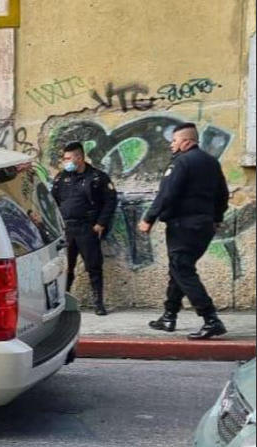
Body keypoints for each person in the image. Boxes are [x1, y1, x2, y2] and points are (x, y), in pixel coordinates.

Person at [139, 122, 229, 340]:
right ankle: (169, 315)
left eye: (175, 140)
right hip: (204, 226)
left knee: (182, 269)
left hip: (183, 226)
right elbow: (223, 194)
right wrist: (217, 218)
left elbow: (167, 193)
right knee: (179, 268)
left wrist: (148, 218)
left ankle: (211, 319)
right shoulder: (211, 162)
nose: (172, 145)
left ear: (187, 142)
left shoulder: (181, 162)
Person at [51, 141, 117, 315]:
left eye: (68, 158)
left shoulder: (97, 177)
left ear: (79, 157)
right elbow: (53, 202)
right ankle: (63, 302)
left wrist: (101, 223)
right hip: (66, 229)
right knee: (66, 268)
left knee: (94, 266)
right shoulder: (61, 178)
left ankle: (98, 303)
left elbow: (110, 201)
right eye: (64, 159)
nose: (65, 162)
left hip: (87, 228)